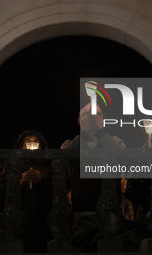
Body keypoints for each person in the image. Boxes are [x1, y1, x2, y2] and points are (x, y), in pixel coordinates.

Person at [61, 103, 125, 252]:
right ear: (79, 121)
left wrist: (100, 133)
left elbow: (121, 154)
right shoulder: (70, 143)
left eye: (98, 114)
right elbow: (67, 154)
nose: (93, 117)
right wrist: (85, 134)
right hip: (81, 210)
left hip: (110, 208)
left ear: (103, 119)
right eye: (87, 115)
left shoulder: (115, 140)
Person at [0, 130, 53, 253]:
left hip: (42, 227)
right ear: (21, 146)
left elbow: (56, 197)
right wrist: (19, 183)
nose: (32, 146)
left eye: (36, 143)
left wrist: (41, 181)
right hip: (16, 226)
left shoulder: (49, 167)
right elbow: (0, 199)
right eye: (28, 143)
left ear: (41, 146)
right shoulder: (11, 169)